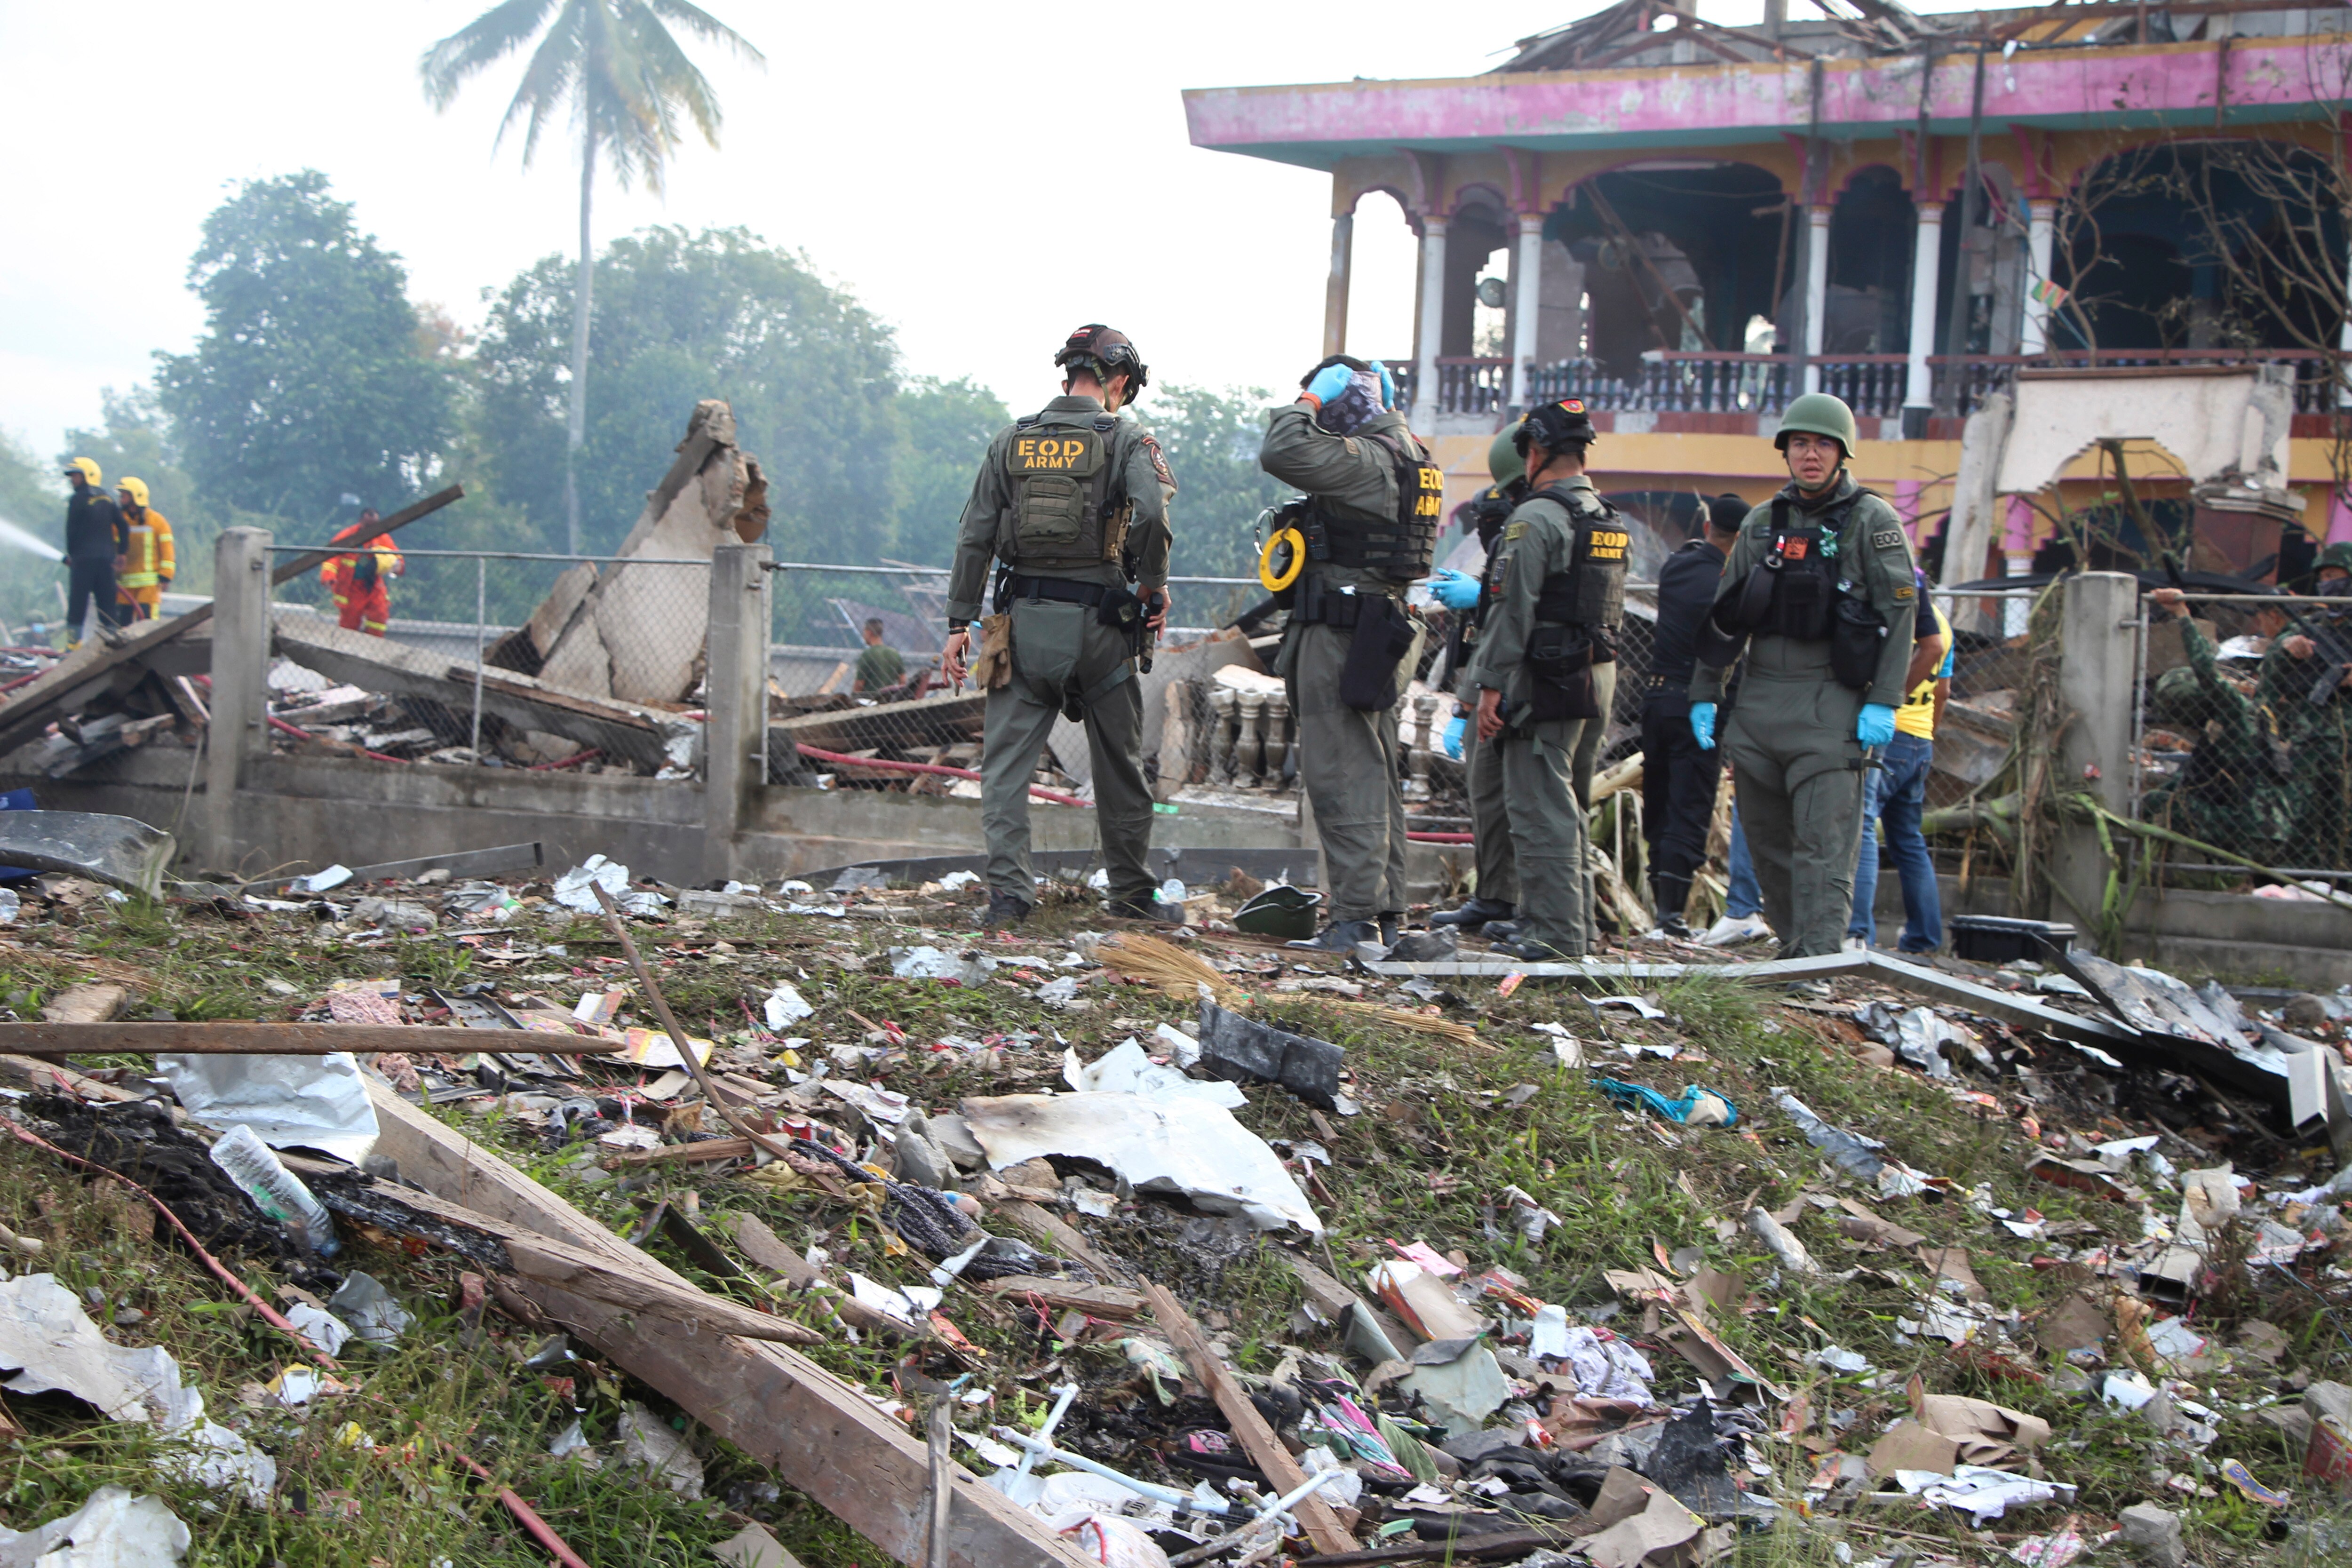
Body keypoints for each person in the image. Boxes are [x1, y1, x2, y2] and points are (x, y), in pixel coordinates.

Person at [940, 325, 1177, 929]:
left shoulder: (1010, 441)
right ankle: (1130, 896)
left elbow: (974, 536)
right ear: (1118, 382)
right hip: (1102, 629)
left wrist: (957, 622)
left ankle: (1009, 899)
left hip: (1021, 630)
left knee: (1004, 770)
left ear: (1067, 373)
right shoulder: (1125, 437)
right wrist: (1151, 584)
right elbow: (1150, 513)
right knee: (1120, 768)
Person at [1688, 393, 1918, 958]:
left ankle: (1816, 961)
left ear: (1841, 452)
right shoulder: (1763, 522)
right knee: (1766, 846)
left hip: (1832, 705)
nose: (1808, 455)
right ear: (1785, 452)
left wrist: (1884, 699)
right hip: (1761, 705)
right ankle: (1795, 949)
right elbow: (1725, 614)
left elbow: (1901, 612)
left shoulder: (1871, 519)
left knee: (1824, 846)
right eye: (1798, 444)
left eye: (1820, 444)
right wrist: (1704, 693)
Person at [1258, 353, 1441, 950]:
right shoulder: (1413, 454)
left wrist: (1309, 401)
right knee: (1375, 771)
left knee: (1341, 773)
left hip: (1344, 631)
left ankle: (1354, 919)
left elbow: (1282, 450)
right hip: (1377, 627)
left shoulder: (1367, 459)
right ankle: (1382, 913)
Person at [1466, 397, 1630, 961]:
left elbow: (1513, 611)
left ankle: (1556, 935)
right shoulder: (1604, 517)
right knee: (1569, 804)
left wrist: (1489, 685)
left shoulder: (1535, 518)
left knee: (1541, 807)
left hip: (1548, 676)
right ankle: (1560, 920)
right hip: (1595, 672)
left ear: (1533, 453)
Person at [1426, 426, 1528, 934]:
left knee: (1525, 806)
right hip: (1488, 690)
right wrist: (1462, 709)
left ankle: (1528, 906)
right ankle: (1493, 895)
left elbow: (1512, 625)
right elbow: (1476, 646)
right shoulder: (1496, 564)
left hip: (1525, 689)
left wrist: (1484, 597)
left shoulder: (1534, 537)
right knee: (1486, 797)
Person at [1641, 493, 1745, 939]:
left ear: (1707, 529)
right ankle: (1671, 916)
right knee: (1690, 806)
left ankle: (1657, 910)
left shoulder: (1676, 568)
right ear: (1742, 541)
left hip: (1657, 700)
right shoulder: (1730, 584)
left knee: (1660, 802)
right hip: (1700, 705)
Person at [1846, 578, 1950, 952]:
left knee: (1862, 825)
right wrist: (1929, 736)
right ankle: (1924, 937)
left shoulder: (1893, 618)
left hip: (1889, 732)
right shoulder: (1942, 624)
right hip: (1921, 740)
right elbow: (1944, 690)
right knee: (1908, 840)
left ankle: (1857, 930)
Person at [2252, 548, 2352, 866]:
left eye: (2335, 576)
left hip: (2348, 741)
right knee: (2303, 820)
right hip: (2309, 740)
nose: (2328, 583)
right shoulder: (2311, 625)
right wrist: (2287, 648)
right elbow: (2270, 673)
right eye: (2323, 577)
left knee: (2344, 822)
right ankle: (2304, 884)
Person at [61, 457, 126, 646]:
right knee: (108, 608)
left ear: (88, 476)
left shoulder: (77, 499)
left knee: (77, 607)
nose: (73, 480)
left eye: (76, 476)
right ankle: (116, 646)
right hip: (106, 562)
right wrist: (121, 553)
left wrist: (72, 556)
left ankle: (72, 649)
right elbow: (123, 526)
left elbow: (71, 530)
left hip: (83, 562)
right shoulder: (107, 499)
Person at [320, 508, 404, 636]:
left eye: (374, 525)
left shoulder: (382, 537)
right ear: (361, 521)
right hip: (352, 588)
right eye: (369, 525)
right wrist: (329, 576)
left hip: (374, 586)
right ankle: (346, 648)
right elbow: (332, 556)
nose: (371, 529)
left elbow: (397, 557)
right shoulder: (348, 535)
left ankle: (374, 646)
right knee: (350, 622)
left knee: (379, 615)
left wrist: (398, 567)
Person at [111, 477, 175, 623]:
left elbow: (167, 551)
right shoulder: (119, 523)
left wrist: (166, 576)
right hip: (125, 584)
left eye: (124, 496)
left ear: (136, 497)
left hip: (149, 586)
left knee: (146, 625)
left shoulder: (157, 521)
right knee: (123, 626)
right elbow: (113, 548)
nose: (121, 500)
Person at [853, 618, 905, 696]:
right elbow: (903, 681)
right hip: (889, 699)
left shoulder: (867, 654)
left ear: (869, 633)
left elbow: (859, 685)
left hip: (870, 700)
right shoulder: (895, 654)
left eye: (864, 633)